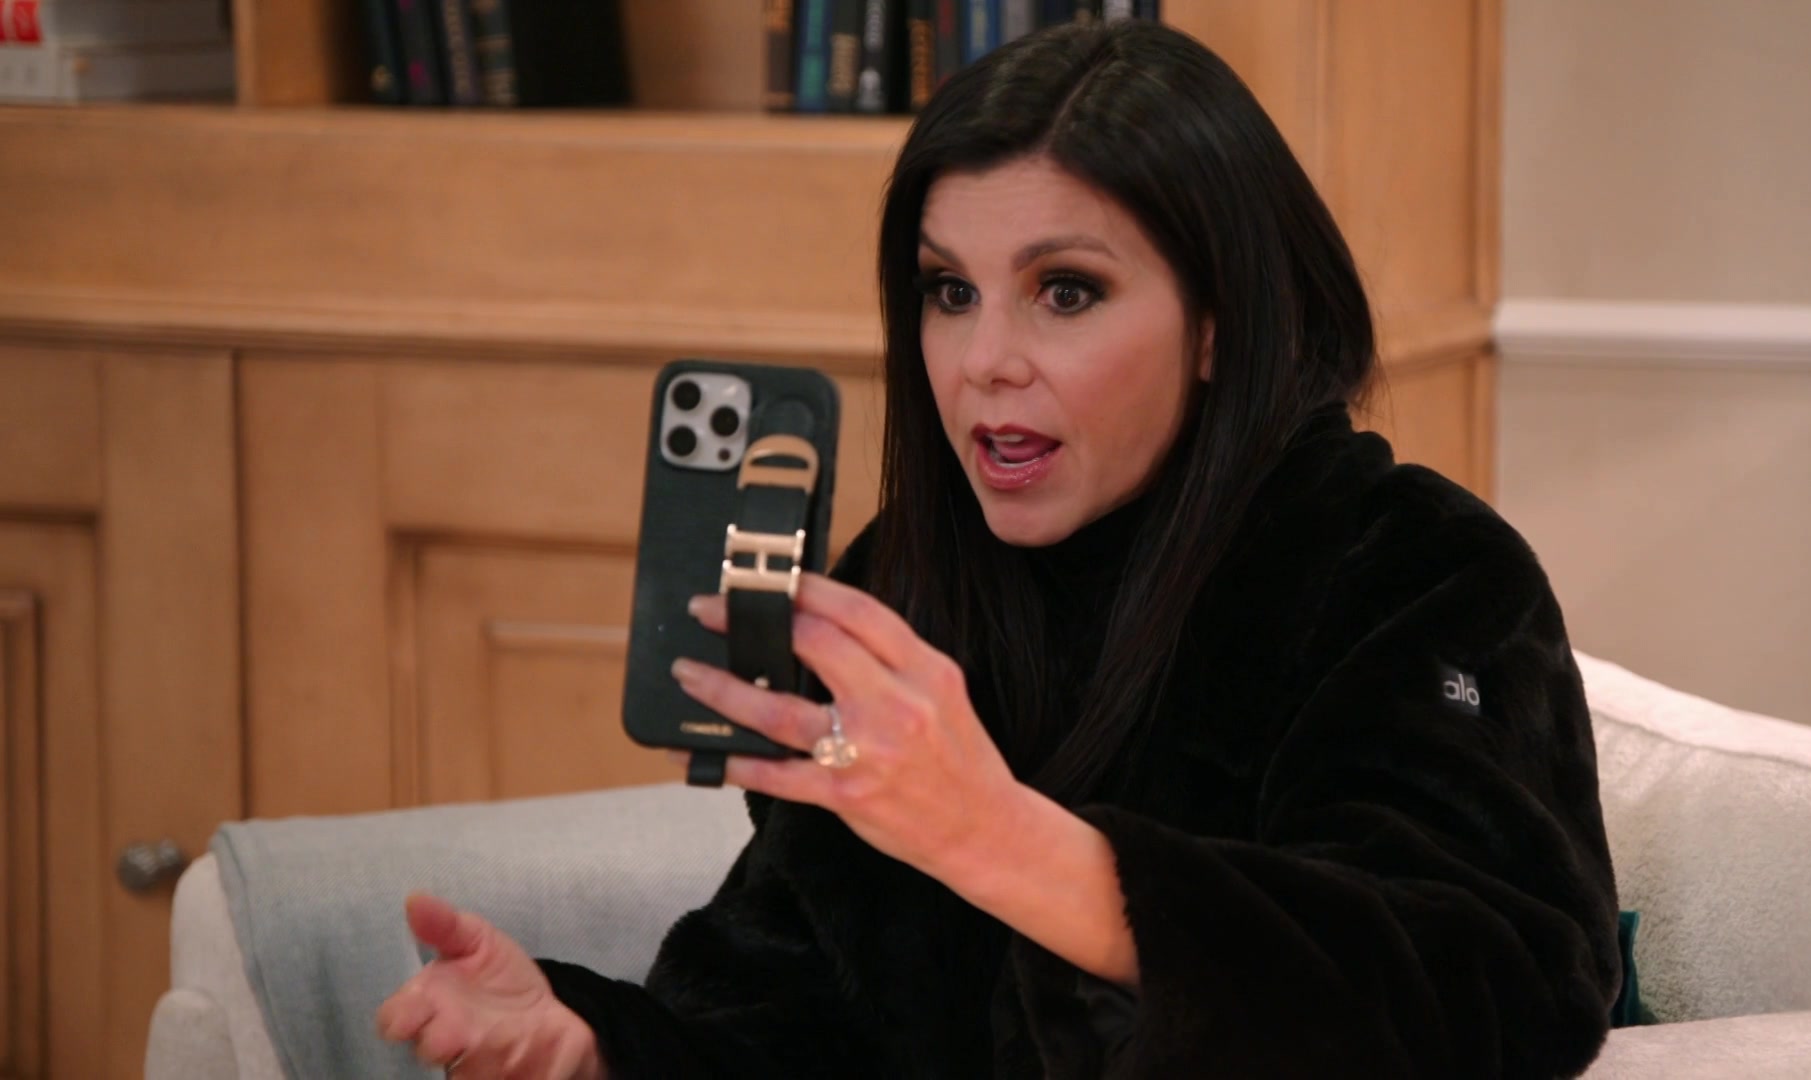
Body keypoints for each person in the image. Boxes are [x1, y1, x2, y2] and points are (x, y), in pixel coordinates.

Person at [375, 19, 1621, 1079]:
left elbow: (1501, 986)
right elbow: (792, 1011)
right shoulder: (908, 579)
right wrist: (594, 1047)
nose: (982, 363)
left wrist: (994, 839)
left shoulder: (1414, 572)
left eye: (1064, 291)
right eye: (949, 291)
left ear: (1220, 325)